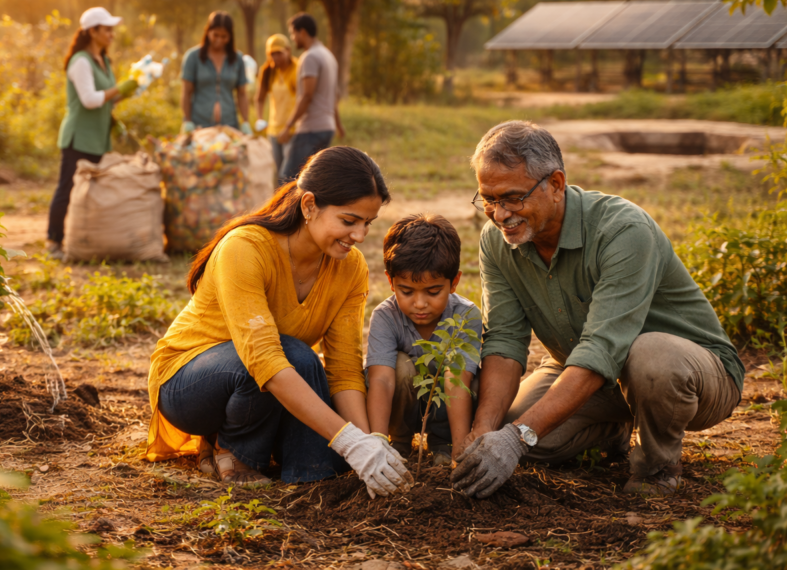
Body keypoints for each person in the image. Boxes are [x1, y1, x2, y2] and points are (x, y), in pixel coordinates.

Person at [452, 121, 744, 498]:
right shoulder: (497, 241)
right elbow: (505, 341)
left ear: (556, 184)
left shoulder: (623, 230)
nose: (499, 214)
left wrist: (516, 438)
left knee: (648, 357)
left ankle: (657, 466)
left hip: (692, 376)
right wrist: (487, 433)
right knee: (520, 432)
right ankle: (613, 430)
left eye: (511, 198)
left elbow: (603, 349)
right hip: (585, 369)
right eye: (488, 200)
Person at [146, 146, 412, 497]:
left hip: (273, 379)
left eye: (368, 223)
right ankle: (235, 452)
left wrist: (367, 444)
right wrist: (349, 440)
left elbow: (344, 368)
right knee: (296, 356)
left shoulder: (351, 267)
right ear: (309, 206)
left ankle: (298, 475)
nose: (360, 236)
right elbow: (265, 359)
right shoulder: (246, 248)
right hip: (189, 385)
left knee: (326, 466)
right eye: (349, 221)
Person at [366, 214, 482, 467]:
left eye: (433, 292)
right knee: (398, 366)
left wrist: (460, 452)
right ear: (390, 281)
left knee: (470, 380)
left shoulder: (464, 316)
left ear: (454, 282)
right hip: (402, 414)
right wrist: (376, 442)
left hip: (451, 418)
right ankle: (399, 442)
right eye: (406, 291)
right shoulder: (386, 316)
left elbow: (456, 380)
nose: (419, 304)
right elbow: (382, 380)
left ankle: (444, 443)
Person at [46, 7, 137, 258]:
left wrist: (124, 93)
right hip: (79, 136)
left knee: (93, 190)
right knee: (67, 188)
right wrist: (118, 89)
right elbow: (89, 99)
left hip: (98, 135)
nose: (111, 34)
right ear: (92, 31)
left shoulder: (104, 61)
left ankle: (82, 238)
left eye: (112, 30)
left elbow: (106, 100)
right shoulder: (81, 62)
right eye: (107, 30)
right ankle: (53, 240)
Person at [277, 13, 345, 183]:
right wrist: (337, 123)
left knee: (288, 180)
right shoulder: (328, 56)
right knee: (315, 181)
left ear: (303, 32)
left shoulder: (310, 57)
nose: (293, 39)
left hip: (310, 128)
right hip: (326, 128)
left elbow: (307, 95)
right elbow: (332, 95)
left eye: (293, 34)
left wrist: (288, 126)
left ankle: (293, 211)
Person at [180, 11, 251, 134]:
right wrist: (188, 120)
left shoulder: (237, 59)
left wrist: (245, 121)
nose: (219, 40)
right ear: (207, 32)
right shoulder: (193, 57)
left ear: (230, 36)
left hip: (229, 124)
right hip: (200, 124)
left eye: (224, 36)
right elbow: (186, 92)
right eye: (215, 35)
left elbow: (242, 94)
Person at [254, 34, 298, 174]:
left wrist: (289, 126)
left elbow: (304, 99)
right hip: (273, 130)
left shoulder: (297, 68)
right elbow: (259, 98)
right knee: (278, 172)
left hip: (292, 130)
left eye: (279, 53)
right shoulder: (267, 71)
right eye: (271, 54)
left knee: (288, 174)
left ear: (288, 50)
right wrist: (260, 118)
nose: (275, 57)